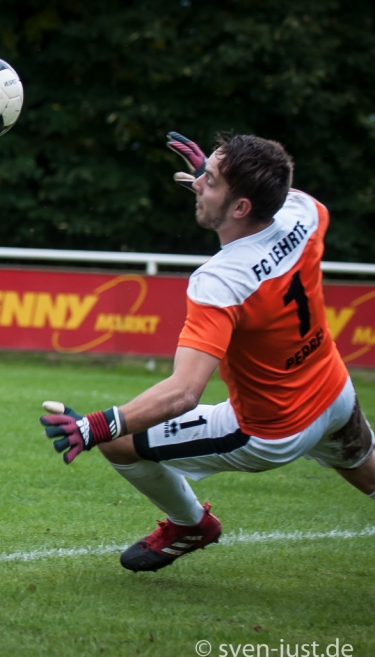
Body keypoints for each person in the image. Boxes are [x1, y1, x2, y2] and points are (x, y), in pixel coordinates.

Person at [39, 132, 375, 572]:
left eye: (210, 181)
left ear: (241, 207)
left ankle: (191, 524)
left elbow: (183, 393)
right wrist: (213, 174)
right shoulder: (306, 211)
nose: (197, 184)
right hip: (335, 395)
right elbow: (275, 187)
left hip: (272, 428)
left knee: (119, 444)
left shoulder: (220, 280)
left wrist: (95, 426)